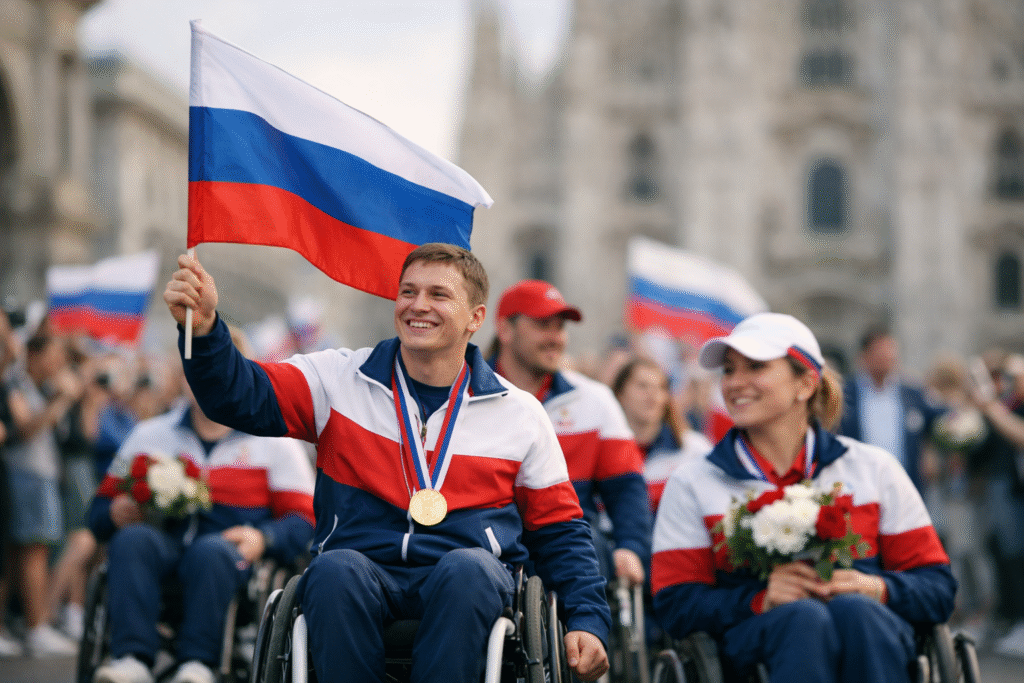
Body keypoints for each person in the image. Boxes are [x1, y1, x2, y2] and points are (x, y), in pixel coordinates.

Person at [162, 245, 611, 683]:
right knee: (334, 571)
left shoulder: (521, 413)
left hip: (469, 580)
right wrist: (204, 332)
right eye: (408, 292)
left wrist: (587, 619)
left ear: (475, 318)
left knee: (468, 569)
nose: (418, 305)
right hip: (362, 568)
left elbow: (560, 529)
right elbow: (241, 395)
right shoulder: (338, 380)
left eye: (439, 295)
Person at [652, 312, 956, 683]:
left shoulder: (873, 468)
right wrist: (759, 599)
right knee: (804, 619)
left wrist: (878, 587)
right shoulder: (692, 482)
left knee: (857, 611)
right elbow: (676, 605)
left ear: (806, 384)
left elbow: (938, 589)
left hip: (868, 636)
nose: (734, 383)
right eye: (729, 370)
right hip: (750, 656)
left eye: (756, 367)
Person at [88, 327, 316, 683]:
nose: (206, 378)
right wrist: (114, 513)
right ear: (183, 377)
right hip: (161, 546)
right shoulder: (150, 435)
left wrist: (263, 539)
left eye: (220, 368)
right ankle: (131, 659)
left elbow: (304, 520)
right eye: (198, 368)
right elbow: (97, 514)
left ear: (242, 374)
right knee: (131, 540)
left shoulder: (276, 442)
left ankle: (199, 664)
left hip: (231, 559)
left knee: (212, 551)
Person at [489, 280, 651, 589]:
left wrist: (630, 547)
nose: (556, 338)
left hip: (569, 539)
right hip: (488, 537)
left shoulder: (594, 400)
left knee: (586, 543)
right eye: (542, 325)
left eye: (560, 327)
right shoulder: (464, 395)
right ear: (505, 330)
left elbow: (626, 486)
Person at [0, 332, 83, 657]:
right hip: (24, 476)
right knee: (28, 551)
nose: (58, 362)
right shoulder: (16, 383)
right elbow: (26, 430)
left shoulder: (41, 387)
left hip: (41, 477)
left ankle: (30, 625)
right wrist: (61, 400)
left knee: (27, 552)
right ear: (33, 354)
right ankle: (36, 627)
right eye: (53, 354)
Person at [838, 326, 943, 492]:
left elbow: (940, 421)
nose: (889, 357)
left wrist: (930, 453)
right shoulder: (845, 394)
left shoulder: (913, 393)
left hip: (906, 483)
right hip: (858, 484)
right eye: (881, 352)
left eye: (892, 352)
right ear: (864, 356)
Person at [611, 357, 712, 512]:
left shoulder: (694, 449)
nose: (652, 395)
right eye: (642, 386)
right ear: (620, 395)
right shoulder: (605, 451)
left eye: (660, 387)